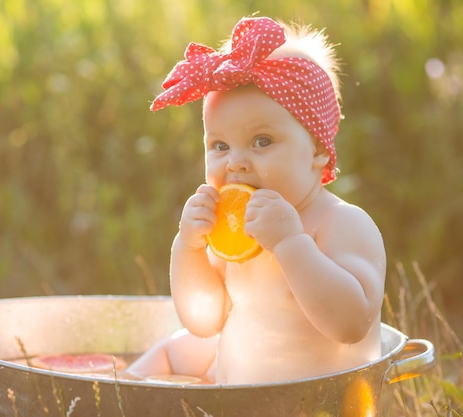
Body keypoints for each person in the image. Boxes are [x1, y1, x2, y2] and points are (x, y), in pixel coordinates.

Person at [128, 16, 386, 385]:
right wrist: (189, 248)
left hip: (319, 404)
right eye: (219, 146)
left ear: (318, 151)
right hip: (236, 400)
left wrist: (290, 243)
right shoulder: (231, 230)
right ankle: (113, 390)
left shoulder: (341, 223)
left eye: (262, 141)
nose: (235, 162)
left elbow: (350, 323)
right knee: (173, 351)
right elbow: (204, 321)